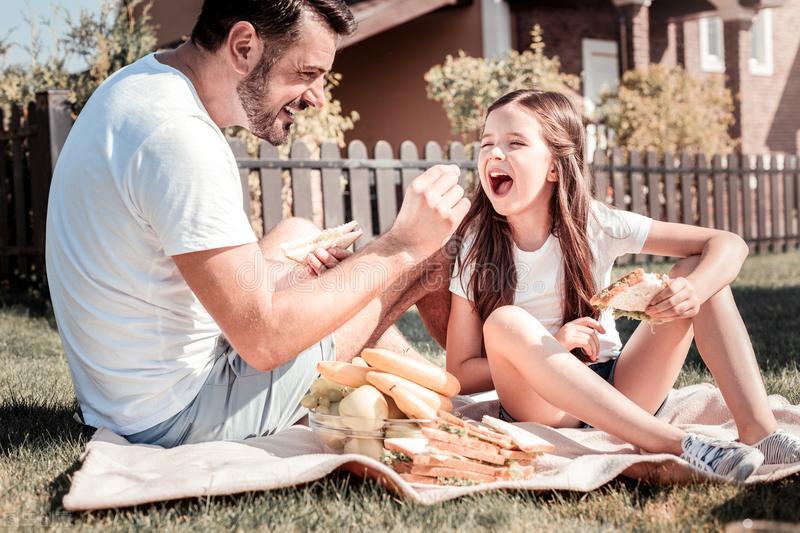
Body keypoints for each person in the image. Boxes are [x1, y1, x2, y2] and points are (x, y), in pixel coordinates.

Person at [45, 0, 465, 448]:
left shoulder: (142, 86)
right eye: (306, 73)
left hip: (124, 395)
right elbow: (263, 341)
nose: (317, 96)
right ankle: (460, 397)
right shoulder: (179, 138)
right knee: (425, 252)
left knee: (298, 234)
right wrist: (400, 246)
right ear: (243, 46)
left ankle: (421, 392)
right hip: (179, 414)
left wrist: (312, 281)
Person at [445, 89, 800, 481]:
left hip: (621, 387)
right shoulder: (475, 247)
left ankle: (760, 432)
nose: (495, 154)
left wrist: (692, 291)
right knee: (505, 322)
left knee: (697, 271)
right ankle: (677, 444)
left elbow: (728, 244)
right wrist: (551, 349)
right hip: (540, 404)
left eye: (515, 143)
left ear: (555, 167)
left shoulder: (596, 223)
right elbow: (459, 371)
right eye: (487, 144)